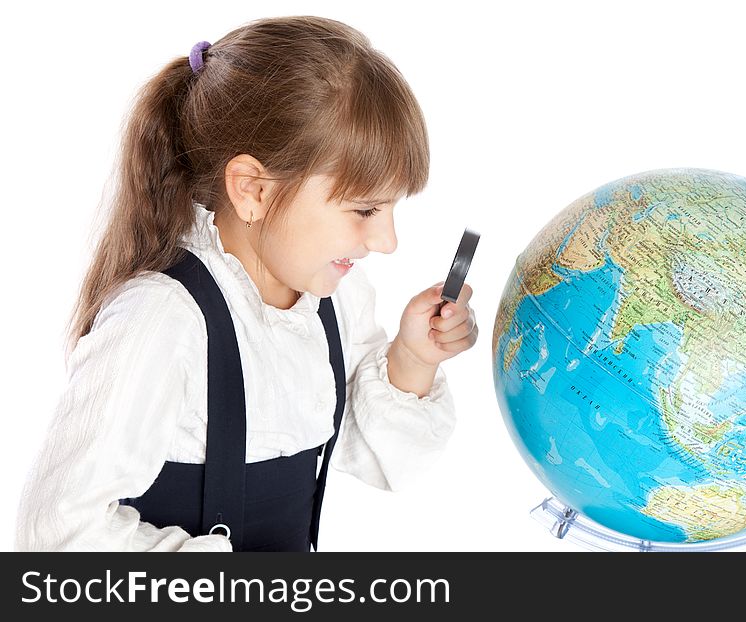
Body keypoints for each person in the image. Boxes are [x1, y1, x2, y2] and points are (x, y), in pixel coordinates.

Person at [15, 16, 477, 552]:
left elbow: (375, 454)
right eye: (365, 209)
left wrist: (413, 360)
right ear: (253, 190)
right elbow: (56, 532)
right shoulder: (162, 321)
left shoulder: (335, 299)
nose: (387, 241)